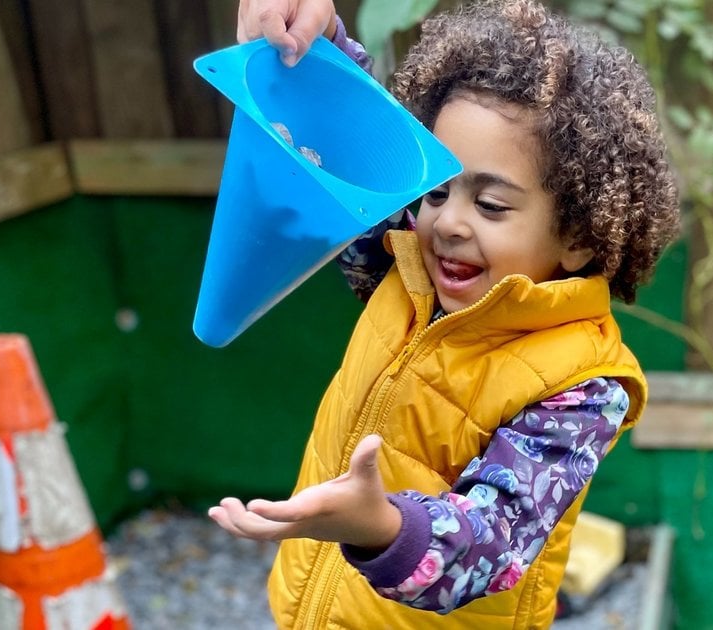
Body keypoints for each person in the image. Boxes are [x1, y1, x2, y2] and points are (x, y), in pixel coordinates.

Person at [209, 0, 680, 628]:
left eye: (489, 204)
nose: (446, 222)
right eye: (436, 189)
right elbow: (358, 154)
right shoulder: (408, 269)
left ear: (579, 236)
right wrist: (316, 43)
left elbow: (496, 540)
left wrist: (378, 525)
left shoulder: (583, 387)